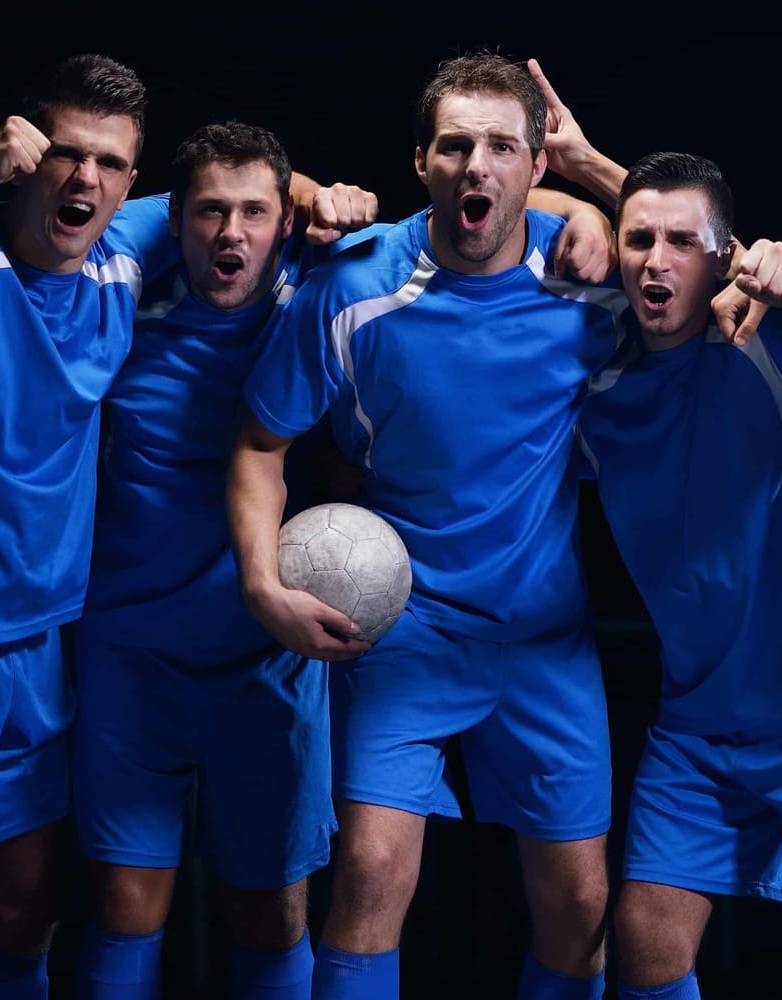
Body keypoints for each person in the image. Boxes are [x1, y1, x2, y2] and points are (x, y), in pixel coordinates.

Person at [226, 50, 629, 1000]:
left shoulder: (591, 279)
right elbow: (258, 443)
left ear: (538, 164)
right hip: (402, 626)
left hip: (542, 634)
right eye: (454, 146)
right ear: (421, 163)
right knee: (369, 874)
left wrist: (597, 197)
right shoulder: (354, 286)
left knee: (581, 902)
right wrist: (261, 587)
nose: (475, 166)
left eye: (501, 147)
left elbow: (714, 258)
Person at [571, 150, 782, 999]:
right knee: (645, 940)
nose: (656, 260)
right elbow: (503, 219)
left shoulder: (771, 338)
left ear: (723, 260)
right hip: (701, 718)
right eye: (638, 240)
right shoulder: (598, 384)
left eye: (682, 243)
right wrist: (576, 180)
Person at [65, 120, 385, 1000]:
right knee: (126, 905)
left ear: (285, 222)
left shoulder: (319, 286)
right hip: (133, 652)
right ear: (176, 219)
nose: (229, 233)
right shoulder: (121, 290)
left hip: (268, 656)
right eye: (209, 212)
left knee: (271, 914)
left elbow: (466, 236)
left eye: (253, 212)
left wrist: (589, 218)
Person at [0, 53, 181, 1000]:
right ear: (25, 158)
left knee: (25, 912)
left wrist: (317, 193)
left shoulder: (125, 253)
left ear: (131, 183)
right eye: (67, 154)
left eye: (110, 164)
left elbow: (243, 189)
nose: (86, 180)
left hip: (41, 644)